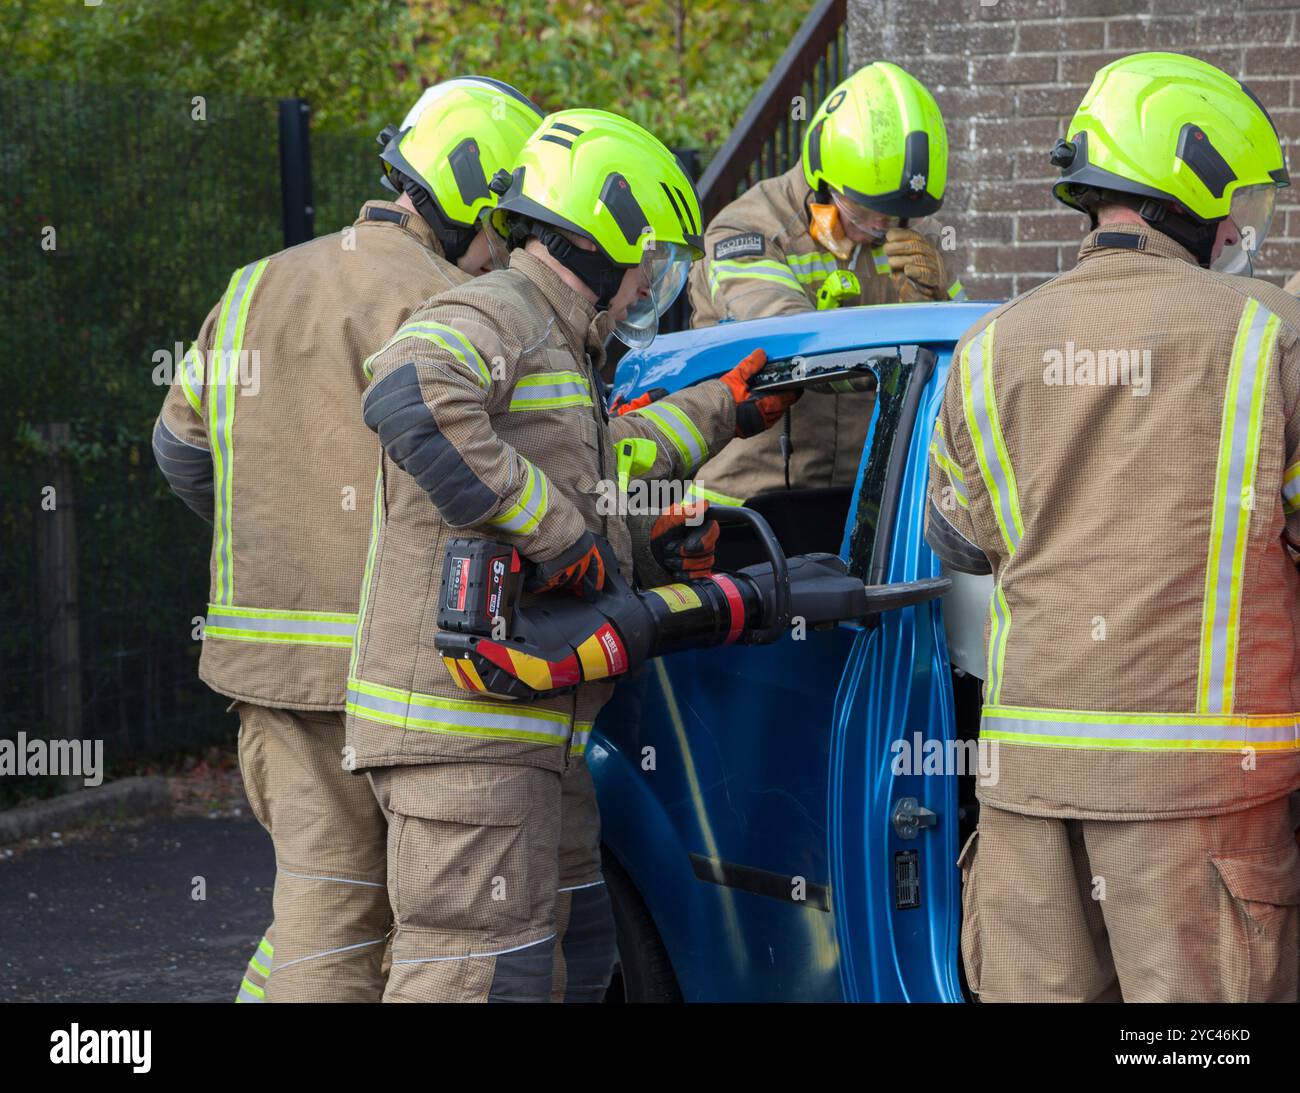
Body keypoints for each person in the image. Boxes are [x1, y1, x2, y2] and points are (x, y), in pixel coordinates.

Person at [348, 107, 795, 1002]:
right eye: (647, 260)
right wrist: (558, 536)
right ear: (603, 235)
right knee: (477, 978)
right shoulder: (494, 311)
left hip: (531, 734)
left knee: (575, 957)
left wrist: (722, 408)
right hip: (463, 745)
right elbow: (408, 389)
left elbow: (608, 458)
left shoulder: (555, 342)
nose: (644, 287)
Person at [152, 76, 543, 1002]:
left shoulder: (253, 287)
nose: (505, 252)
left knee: (322, 919)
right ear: (471, 204)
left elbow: (180, 454)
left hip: (270, 675)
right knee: (411, 937)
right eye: (504, 228)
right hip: (407, 682)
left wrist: (272, 537)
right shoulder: (460, 309)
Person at [925, 51, 1300, 1002]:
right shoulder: (1269, 337)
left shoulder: (987, 349)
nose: (1238, 232)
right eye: (1239, 206)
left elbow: (958, 543)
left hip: (1027, 803)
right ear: (1193, 185)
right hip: (1198, 809)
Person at [686, 62, 965, 503]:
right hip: (751, 500)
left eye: (890, 214)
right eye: (864, 210)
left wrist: (939, 303)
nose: (878, 227)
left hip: (865, 505)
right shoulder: (746, 232)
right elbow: (792, 347)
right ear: (822, 178)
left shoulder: (910, 237)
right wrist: (912, 336)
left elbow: (967, 363)